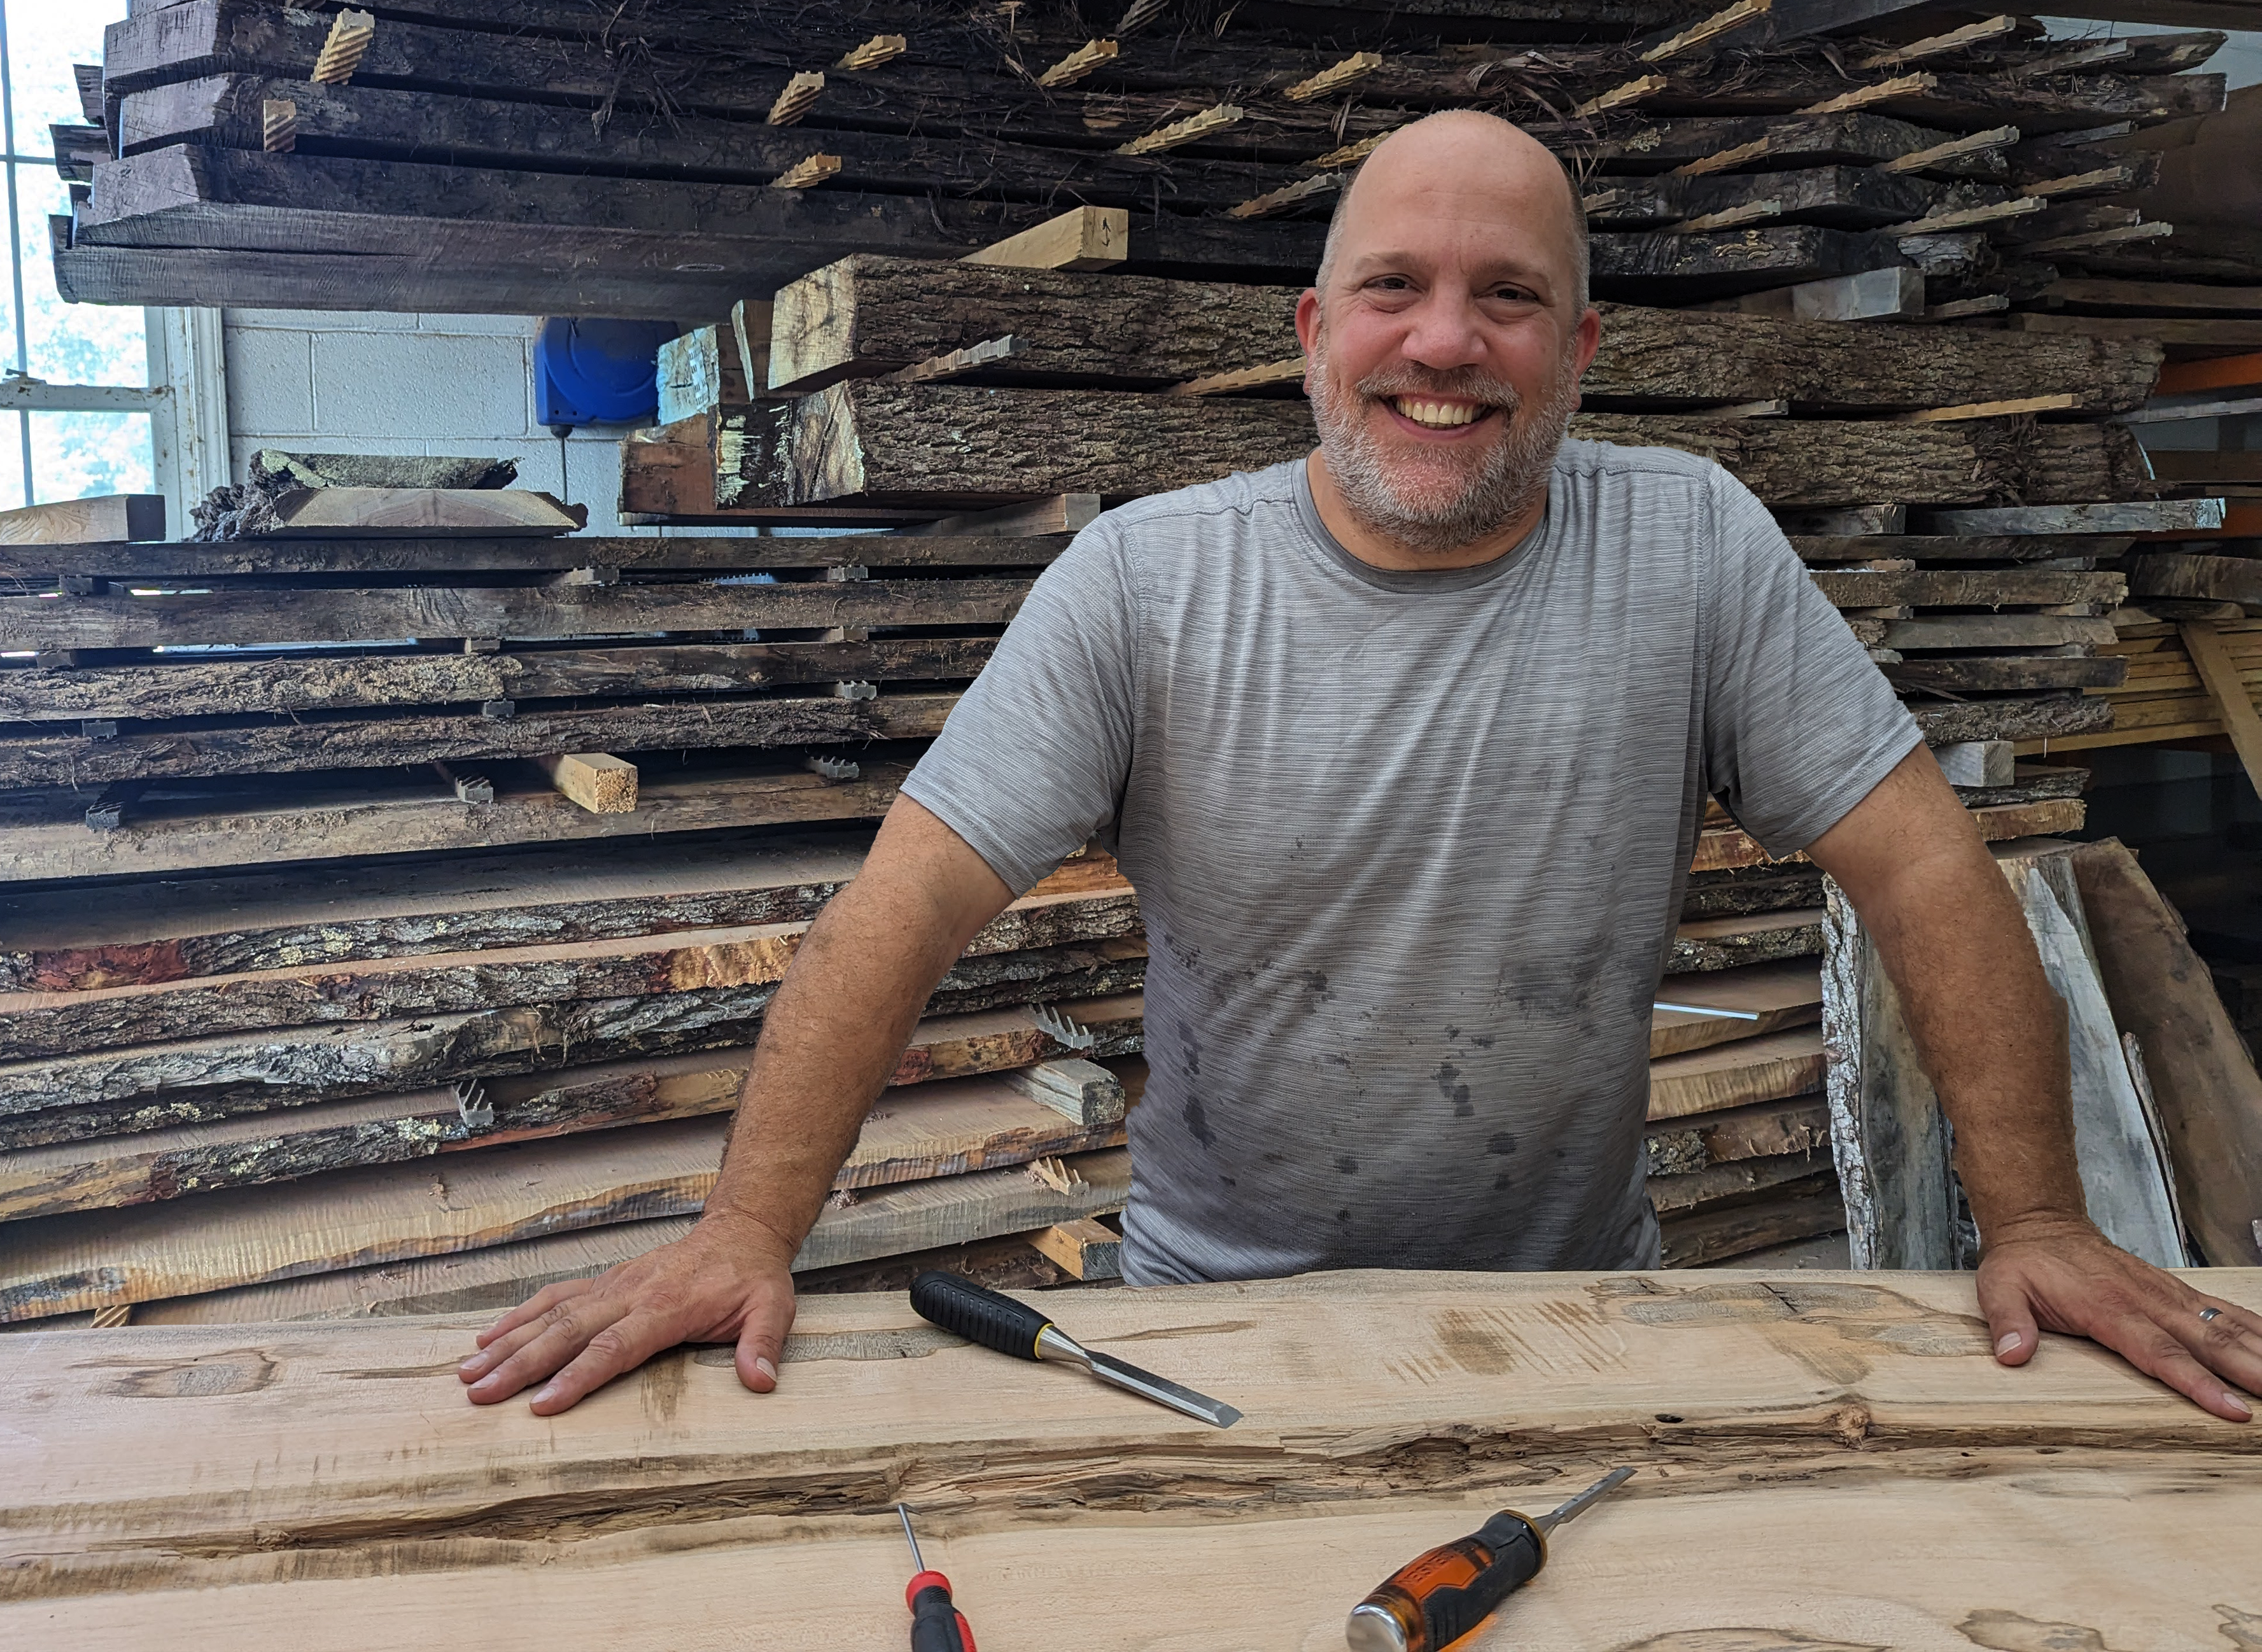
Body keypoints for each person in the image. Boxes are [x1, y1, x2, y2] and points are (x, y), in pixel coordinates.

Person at [460, 111, 2260, 1421]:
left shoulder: (1693, 547)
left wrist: (2039, 1221)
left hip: (1584, 1325)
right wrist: (743, 1230)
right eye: (1392, 288)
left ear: (1578, 349)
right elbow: (908, 905)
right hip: (1209, 1319)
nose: (1447, 341)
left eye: (1509, 296)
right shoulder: (1149, 585)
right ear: (1315, 336)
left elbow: (1930, 867)